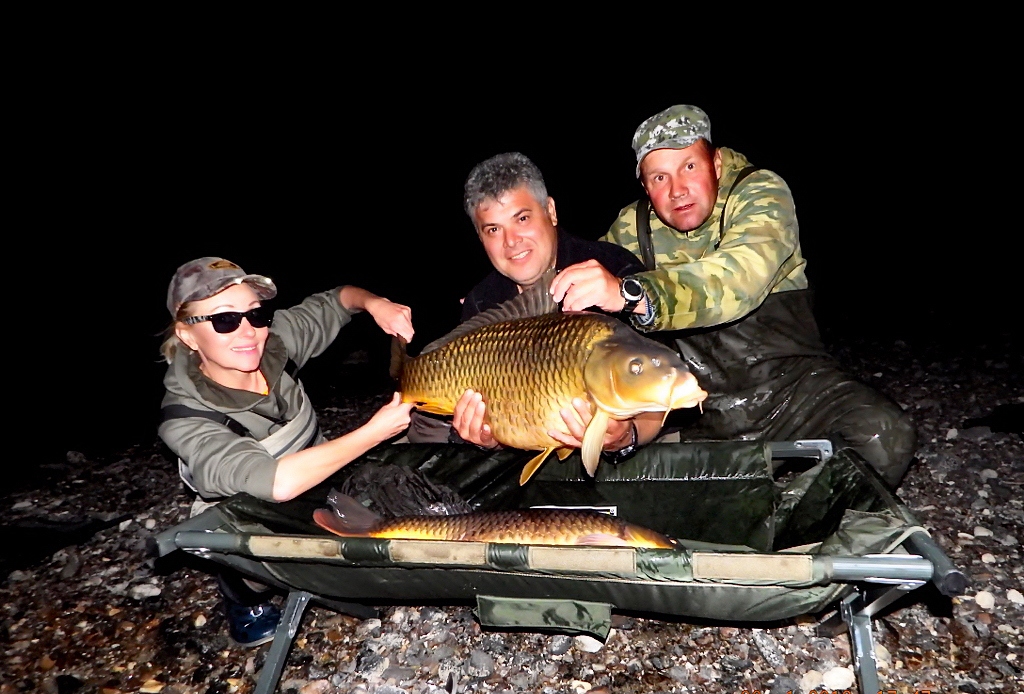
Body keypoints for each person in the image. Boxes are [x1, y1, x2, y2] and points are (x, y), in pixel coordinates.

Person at [549, 105, 916, 488]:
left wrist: (632, 294)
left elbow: (737, 280)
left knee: (885, 436)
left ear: (717, 163)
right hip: (692, 410)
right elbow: (574, 313)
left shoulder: (760, 192)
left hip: (791, 393)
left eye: (689, 166)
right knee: (592, 464)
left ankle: (796, 522)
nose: (677, 190)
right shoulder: (631, 227)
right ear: (645, 186)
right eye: (660, 177)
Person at [158, 257, 414, 645]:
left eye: (254, 314)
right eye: (224, 320)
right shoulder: (184, 418)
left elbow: (339, 299)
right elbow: (276, 482)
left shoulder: (276, 341)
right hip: (255, 499)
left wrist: (376, 303)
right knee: (237, 538)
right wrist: (373, 432)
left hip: (320, 472)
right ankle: (242, 596)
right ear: (189, 336)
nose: (248, 333)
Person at [410, 151, 663, 462]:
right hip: (534, 454)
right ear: (480, 237)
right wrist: (489, 440)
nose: (511, 241)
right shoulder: (483, 301)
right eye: (493, 229)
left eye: (522, 218)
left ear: (551, 211)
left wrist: (624, 437)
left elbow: (663, 386)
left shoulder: (613, 270)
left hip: (639, 457)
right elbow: (495, 421)